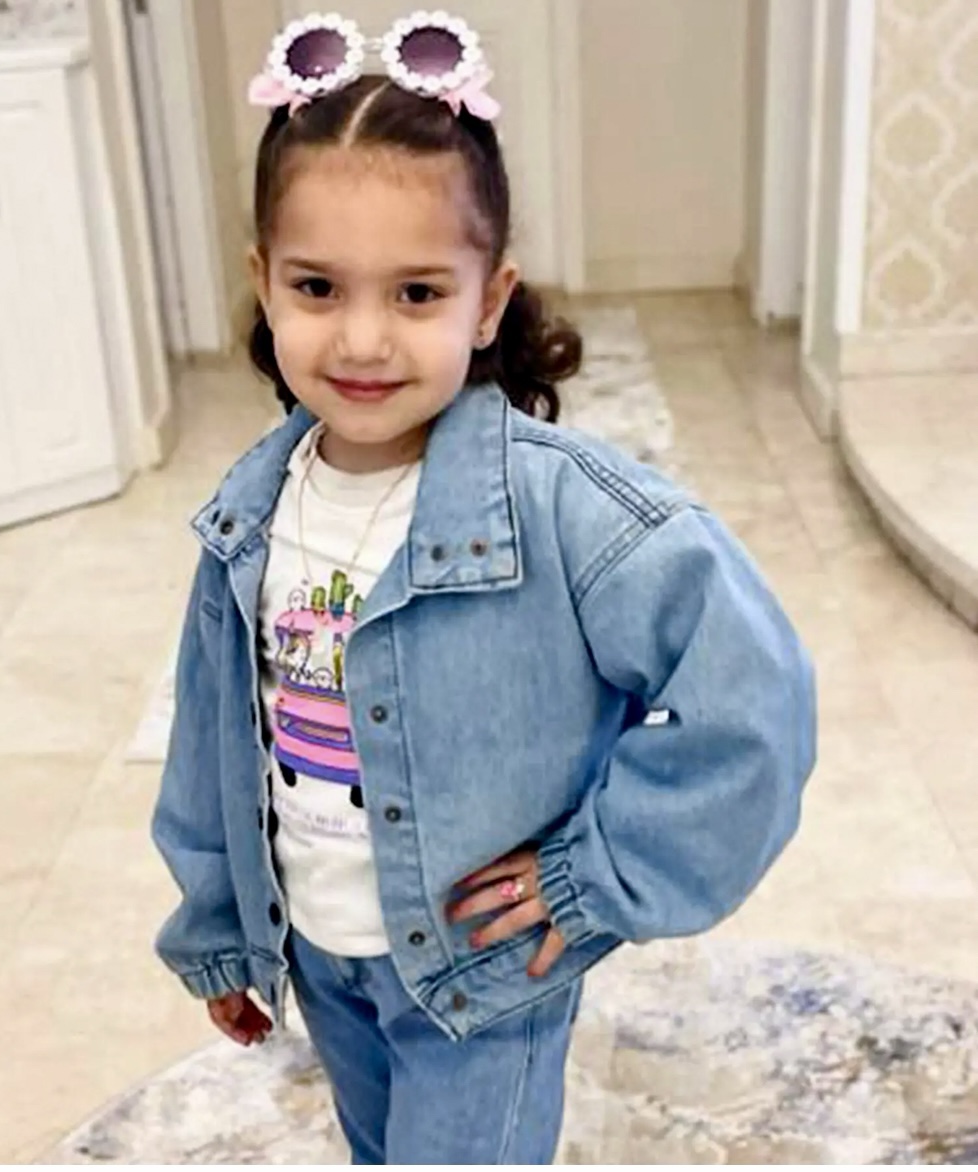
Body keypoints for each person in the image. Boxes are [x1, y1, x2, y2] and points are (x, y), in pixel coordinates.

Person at [152, 11, 817, 1165]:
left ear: (489, 299)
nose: (363, 338)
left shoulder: (571, 513)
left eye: (417, 293)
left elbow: (753, 702)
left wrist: (595, 871)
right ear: (264, 284)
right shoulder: (249, 513)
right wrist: (221, 924)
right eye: (318, 286)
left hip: (482, 973)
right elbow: (214, 733)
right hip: (320, 952)